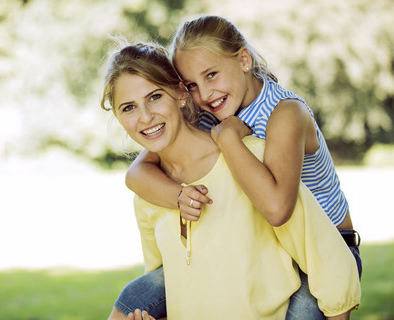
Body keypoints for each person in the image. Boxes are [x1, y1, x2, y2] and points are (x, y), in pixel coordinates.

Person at [101, 40, 360, 319]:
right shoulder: (149, 193)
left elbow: (329, 264)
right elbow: (171, 288)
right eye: (128, 107)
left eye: (155, 97)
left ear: (180, 94)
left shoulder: (252, 159)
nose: (145, 117)